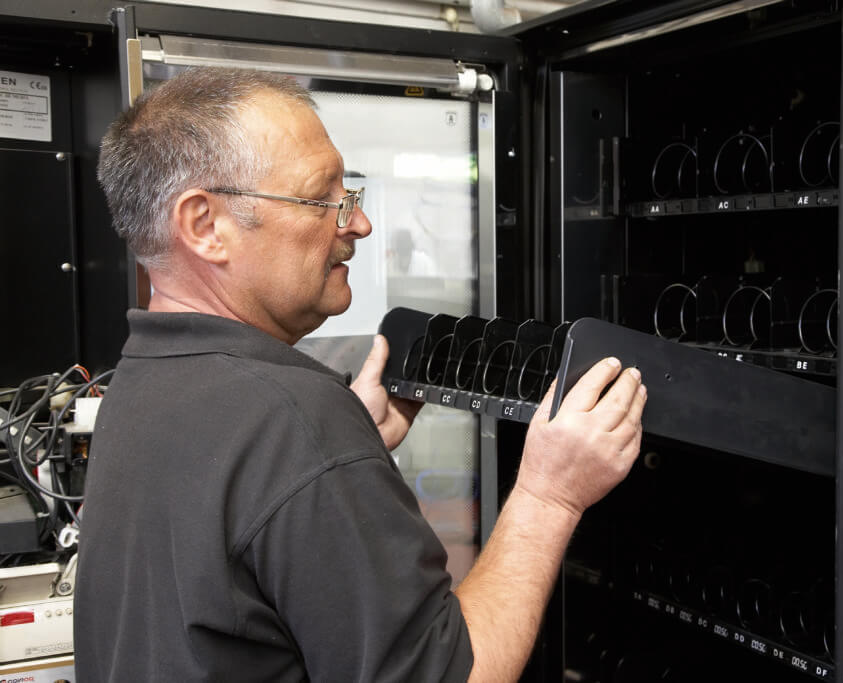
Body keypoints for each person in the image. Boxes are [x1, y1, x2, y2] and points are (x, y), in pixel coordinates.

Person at [73, 67, 646, 682]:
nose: (358, 224)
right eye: (324, 199)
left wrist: (343, 455)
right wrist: (547, 495)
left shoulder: (142, 381)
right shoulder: (293, 421)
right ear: (206, 226)